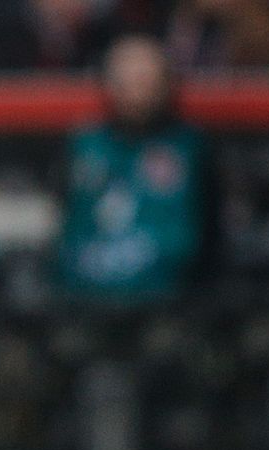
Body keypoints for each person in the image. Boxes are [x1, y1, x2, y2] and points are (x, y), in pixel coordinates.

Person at [57, 35, 217, 302]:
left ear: (166, 83)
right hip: (81, 299)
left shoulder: (192, 146)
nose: (138, 93)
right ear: (109, 84)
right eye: (128, 80)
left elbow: (211, 232)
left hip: (172, 302)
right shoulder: (82, 144)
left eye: (147, 80)